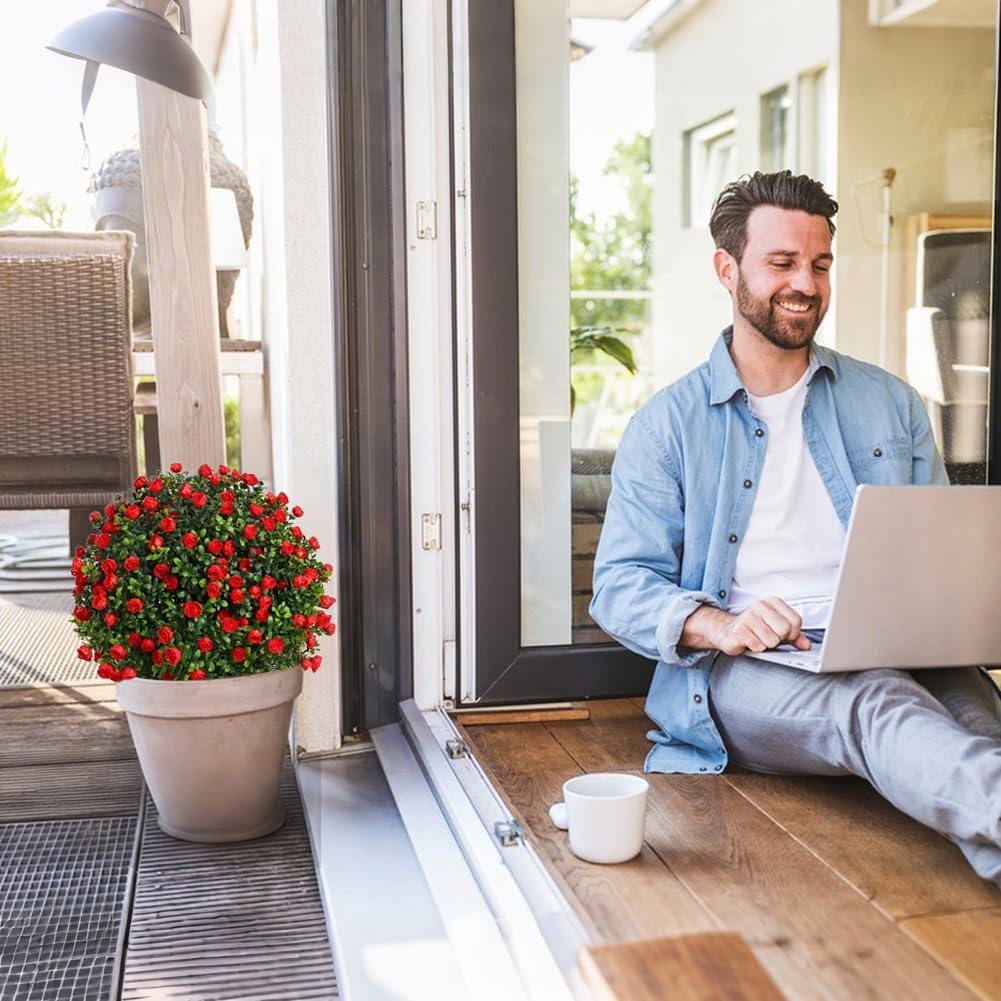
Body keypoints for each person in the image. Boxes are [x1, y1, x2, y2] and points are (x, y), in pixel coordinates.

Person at [589, 170, 1001, 886]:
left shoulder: (889, 401)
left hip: (895, 640)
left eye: (818, 264)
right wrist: (719, 624)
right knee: (876, 701)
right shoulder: (667, 425)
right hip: (749, 667)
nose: (803, 283)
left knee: (983, 729)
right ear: (728, 269)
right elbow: (619, 585)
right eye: (780, 263)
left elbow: (938, 544)